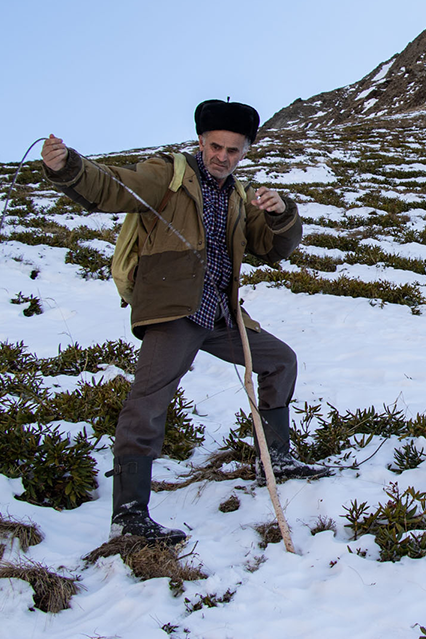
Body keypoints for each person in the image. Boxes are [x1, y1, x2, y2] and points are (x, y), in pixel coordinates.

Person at [42, 99, 323, 542]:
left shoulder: (239, 195)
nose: (222, 157)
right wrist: (70, 168)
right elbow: (116, 186)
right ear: (200, 142)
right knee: (148, 401)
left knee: (280, 361)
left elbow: (271, 248)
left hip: (222, 314)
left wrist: (281, 214)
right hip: (175, 308)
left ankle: (276, 458)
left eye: (233, 150)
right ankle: (130, 515)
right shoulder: (167, 174)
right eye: (215, 146)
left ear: (245, 151)